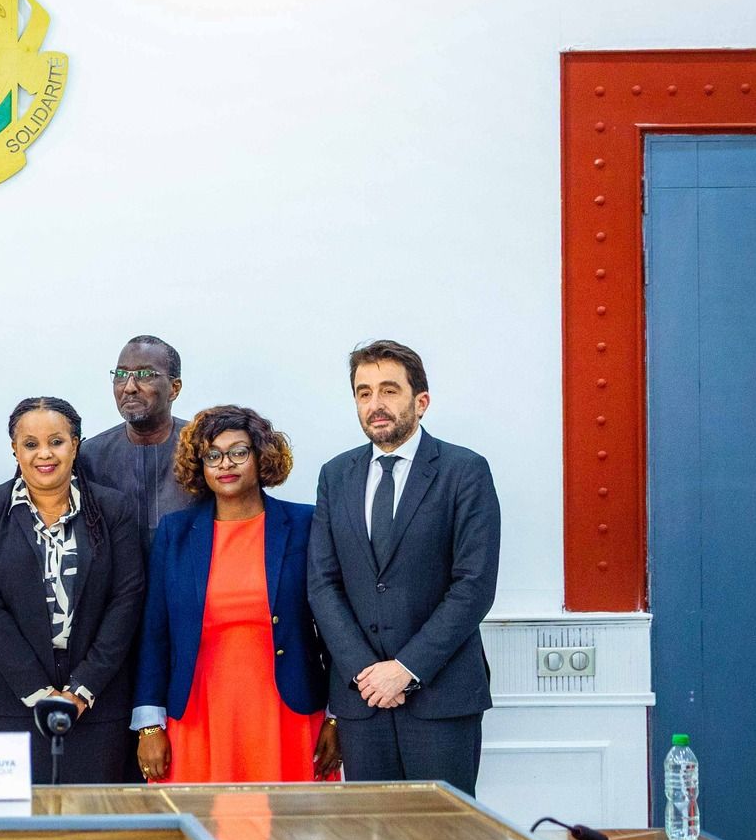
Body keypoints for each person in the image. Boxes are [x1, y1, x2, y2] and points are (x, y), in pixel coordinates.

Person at [307, 340, 501, 795]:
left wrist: (406, 668)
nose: (376, 404)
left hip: (441, 695)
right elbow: (322, 584)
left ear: (421, 401)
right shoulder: (335, 476)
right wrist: (365, 672)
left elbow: (473, 586)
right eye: (363, 392)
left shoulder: (464, 471)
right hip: (362, 700)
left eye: (389, 390)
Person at [133, 405, 337, 784]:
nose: (225, 464)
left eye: (239, 452)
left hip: (288, 714)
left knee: (290, 836)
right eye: (213, 455)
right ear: (200, 465)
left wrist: (336, 716)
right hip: (198, 713)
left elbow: (333, 627)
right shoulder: (174, 533)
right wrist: (149, 726)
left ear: (262, 457)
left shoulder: (305, 525)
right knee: (204, 832)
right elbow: (154, 635)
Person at [0, 397, 146, 783]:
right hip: (14, 701)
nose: (44, 454)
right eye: (30, 444)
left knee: (93, 825)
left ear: (76, 444)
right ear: (15, 449)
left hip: (100, 703)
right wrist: (39, 691)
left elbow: (126, 600)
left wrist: (81, 689)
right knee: (25, 831)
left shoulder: (114, 509)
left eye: (56, 441)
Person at [80, 336, 194, 549]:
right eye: (121, 375)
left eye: (145, 375)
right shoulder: (89, 457)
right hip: (119, 580)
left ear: (174, 388)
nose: (129, 387)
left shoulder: (204, 447)